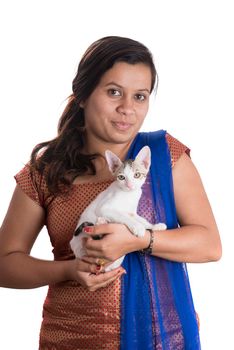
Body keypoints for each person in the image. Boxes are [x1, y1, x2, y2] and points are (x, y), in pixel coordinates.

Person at [0, 36, 221, 349]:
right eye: (114, 92)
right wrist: (68, 270)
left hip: (161, 338)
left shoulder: (163, 158)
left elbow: (210, 245)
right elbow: (4, 263)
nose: (127, 109)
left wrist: (139, 240)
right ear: (82, 95)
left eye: (140, 96)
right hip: (70, 337)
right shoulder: (47, 172)